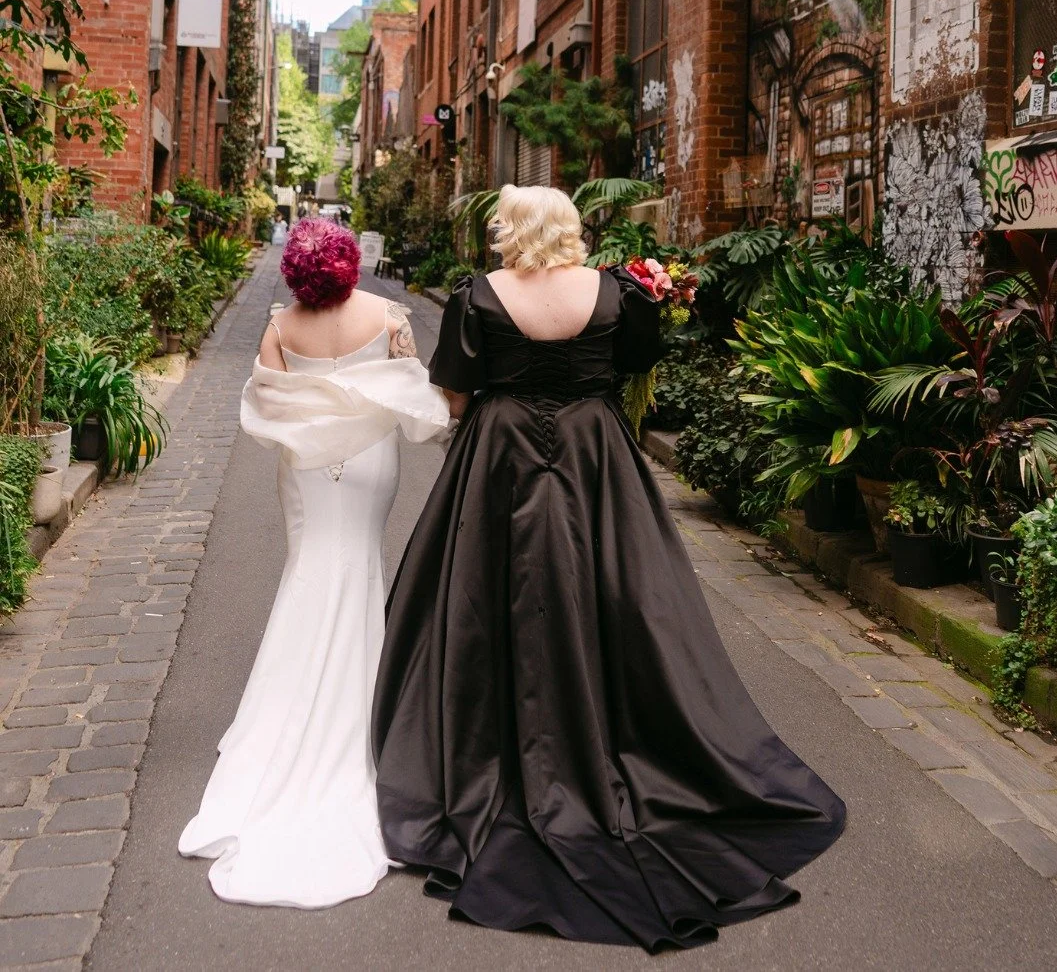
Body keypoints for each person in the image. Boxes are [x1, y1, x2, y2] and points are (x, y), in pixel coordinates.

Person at [372, 185, 845, 951]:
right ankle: (624, 737)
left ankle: (490, 753)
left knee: (489, 599)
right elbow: (634, 365)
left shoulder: (478, 296)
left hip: (501, 458)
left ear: (515, 230)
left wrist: (411, 370)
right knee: (621, 595)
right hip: (595, 453)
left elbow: (455, 401)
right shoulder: (619, 293)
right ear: (569, 229)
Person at [179, 217, 449, 907]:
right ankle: (362, 716)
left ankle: (287, 712)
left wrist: (314, 414)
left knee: (307, 572)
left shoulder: (280, 325)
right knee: (359, 567)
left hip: (306, 471)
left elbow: (265, 398)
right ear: (349, 262)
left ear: (298, 271)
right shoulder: (388, 315)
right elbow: (417, 388)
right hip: (368, 468)